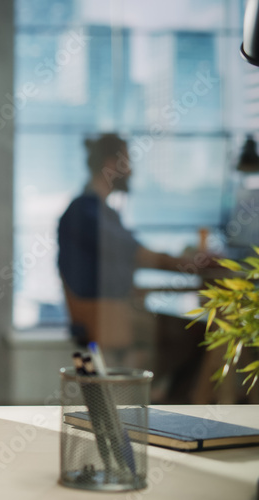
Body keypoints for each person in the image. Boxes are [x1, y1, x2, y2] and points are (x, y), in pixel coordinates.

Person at [57, 133, 209, 398]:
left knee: (193, 334)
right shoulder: (86, 211)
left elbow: (125, 261)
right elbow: (138, 254)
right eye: (126, 162)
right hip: (106, 316)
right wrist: (189, 263)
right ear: (110, 165)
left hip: (116, 310)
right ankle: (158, 401)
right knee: (202, 335)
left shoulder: (101, 212)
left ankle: (154, 398)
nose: (131, 170)